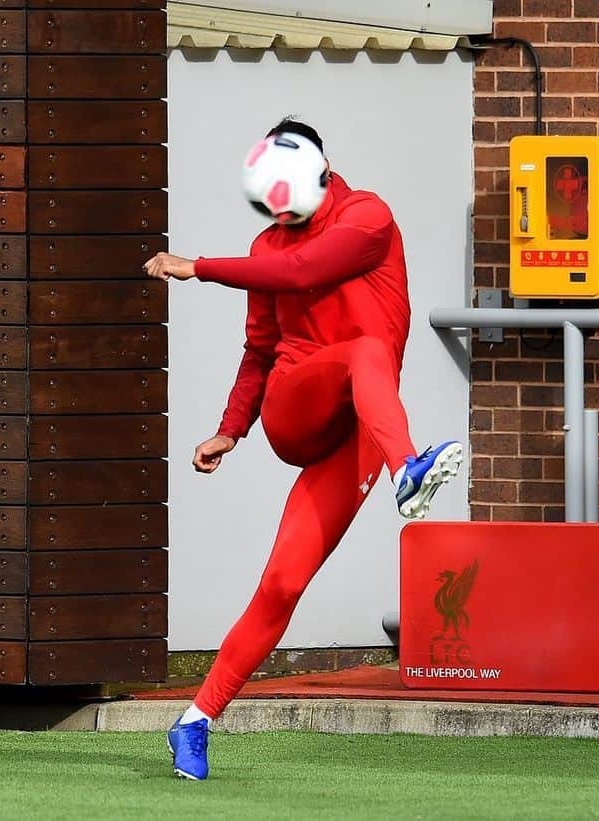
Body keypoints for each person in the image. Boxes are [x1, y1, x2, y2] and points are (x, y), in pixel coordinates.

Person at [143, 118, 462, 781]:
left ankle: (195, 720)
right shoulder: (268, 247)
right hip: (297, 404)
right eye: (269, 205)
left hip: (359, 434)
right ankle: (412, 470)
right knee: (367, 353)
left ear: (318, 170)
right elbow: (261, 348)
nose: (277, 216)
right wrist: (233, 427)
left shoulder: (367, 217)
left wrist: (197, 267)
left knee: (284, 582)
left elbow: (308, 266)